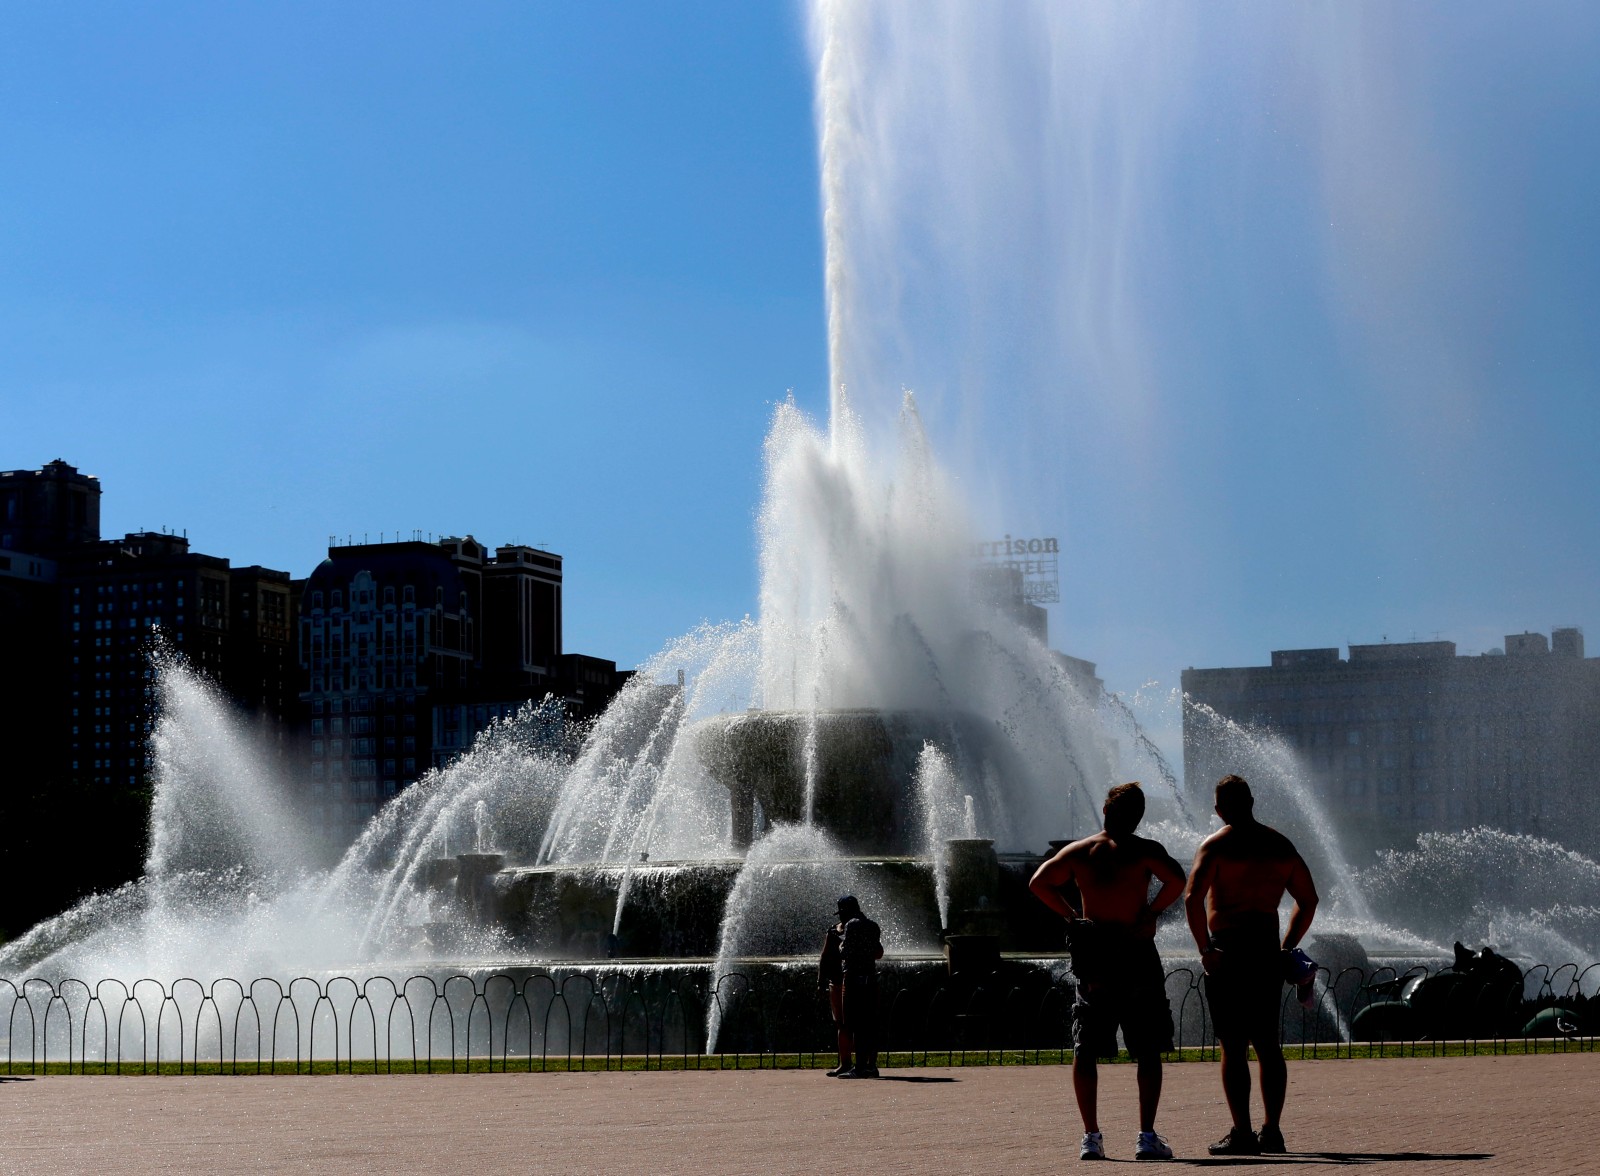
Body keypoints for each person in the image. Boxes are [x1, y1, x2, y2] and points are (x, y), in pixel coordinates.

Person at [1029, 782, 1186, 1162]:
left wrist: (1073, 917)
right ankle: (1146, 1136)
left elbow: (1038, 883)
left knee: (1086, 1048)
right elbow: (1178, 880)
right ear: (1138, 816)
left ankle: (1091, 1137)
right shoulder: (1145, 850)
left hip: (1095, 951)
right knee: (1147, 1048)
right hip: (1135, 950)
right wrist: (1151, 913)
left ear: (1105, 810)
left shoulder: (1083, 850)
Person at [1184, 774, 1319, 1157]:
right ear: (1252, 801)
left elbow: (1192, 899)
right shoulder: (1279, 845)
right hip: (1264, 949)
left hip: (1227, 951)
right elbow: (1309, 900)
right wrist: (1287, 946)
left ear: (1219, 809)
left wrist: (1204, 949)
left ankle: (1242, 1132)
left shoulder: (1216, 846)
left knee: (1233, 1045)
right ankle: (1272, 1131)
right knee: (1267, 1044)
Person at [834, 894, 883, 1078]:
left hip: (854, 979)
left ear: (846, 911)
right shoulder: (872, 925)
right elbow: (879, 952)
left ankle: (860, 1067)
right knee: (870, 1024)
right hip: (871, 978)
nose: (840, 917)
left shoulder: (850, 925)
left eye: (841, 913)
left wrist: (841, 938)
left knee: (855, 1024)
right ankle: (871, 1066)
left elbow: (845, 952)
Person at [818, 917, 853, 1076]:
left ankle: (851, 1064)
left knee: (846, 1024)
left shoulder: (855, 929)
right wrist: (821, 980)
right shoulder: (833, 931)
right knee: (843, 1023)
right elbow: (825, 956)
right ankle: (848, 1063)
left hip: (849, 981)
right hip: (842, 981)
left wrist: (820, 981)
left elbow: (825, 956)